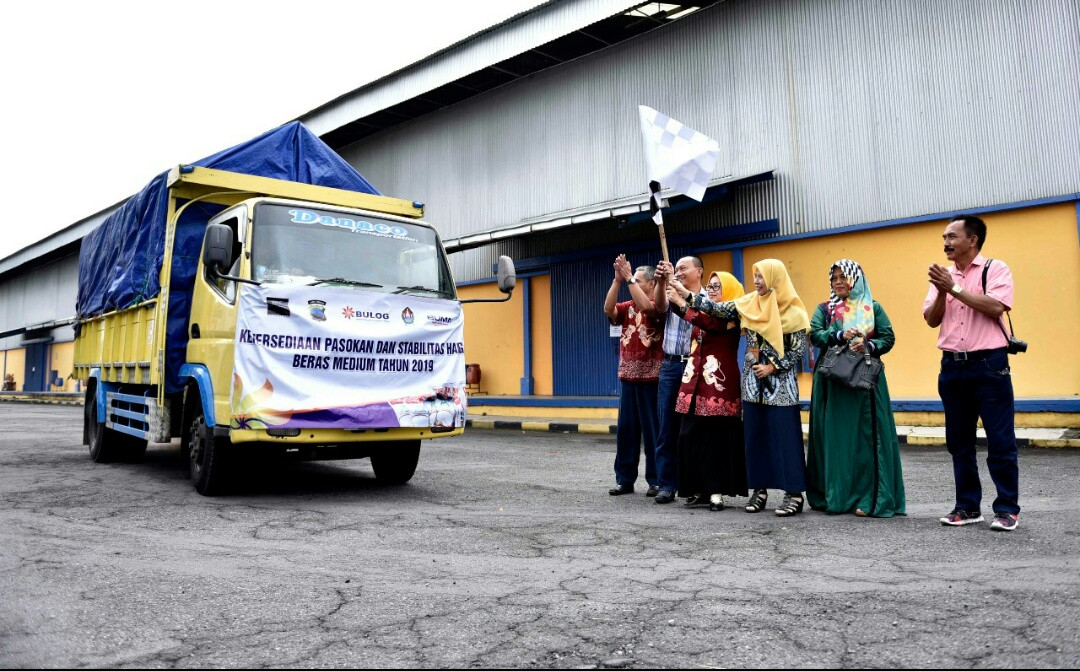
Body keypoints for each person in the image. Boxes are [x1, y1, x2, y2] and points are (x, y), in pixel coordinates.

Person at [674, 259, 810, 517]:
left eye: (761, 277)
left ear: (775, 279)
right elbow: (716, 308)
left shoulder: (793, 312)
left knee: (785, 440)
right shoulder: (748, 304)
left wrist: (773, 366)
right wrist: (685, 295)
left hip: (781, 387)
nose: (756, 282)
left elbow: (799, 349)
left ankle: (793, 494)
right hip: (751, 384)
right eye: (755, 276)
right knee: (755, 439)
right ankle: (759, 491)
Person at [923, 214, 1020, 531]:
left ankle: (1006, 509)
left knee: (1000, 441)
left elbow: (995, 307)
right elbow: (931, 320)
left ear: (972, 239)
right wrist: (941, 290)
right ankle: (967, 507)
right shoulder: (943, 277)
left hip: (989, 365)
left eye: (952, 236)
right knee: (959, 442)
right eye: (944, 238)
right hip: (952, 366)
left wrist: (954, 288)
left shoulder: (996, 269)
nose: (946, 243)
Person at [806, 260, 906, 518]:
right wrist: (839, 336)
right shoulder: (825, 309)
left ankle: (871, 498)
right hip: (832, 383)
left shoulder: (873, 308)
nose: (838, 282)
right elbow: (815, 334)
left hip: (865, 383)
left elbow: (888, 338)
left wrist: (868, 346)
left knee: (867, 437)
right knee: (836, 438)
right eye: (834, 278)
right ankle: (836, 497)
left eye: (844, 277)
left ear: (856, 280)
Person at [666, 271, 747, 511]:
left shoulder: (734, 312)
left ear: (729, 290)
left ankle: (717, 491)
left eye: (716, 287)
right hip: (694, 382)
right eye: (709, 287)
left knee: (717, 439)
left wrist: (683, 301)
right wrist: (669, 285)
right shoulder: (701, 311)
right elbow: (683, 312)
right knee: (690, 436)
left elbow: (710, 324)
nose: (711, 290)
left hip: (719, 384)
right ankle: (698, 488)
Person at [604, 255, 664, 496]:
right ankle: (625, 479)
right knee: (627, 431)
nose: (633, 284)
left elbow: (650, 308)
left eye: (637, 281)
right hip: (628, 377)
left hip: (652, 378)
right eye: (633, 280)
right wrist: (618, 281)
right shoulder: (627, 307)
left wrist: (628, 277)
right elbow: (608, 309)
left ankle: (656, 479)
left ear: (650, 284)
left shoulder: (660, 303)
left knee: (653, 433)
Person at [651, 256, 706, 504]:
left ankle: (693, 484)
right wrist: (663, 282)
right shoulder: (670, 290)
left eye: (684, 268)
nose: (680, 272)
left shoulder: (707, 298)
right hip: (671, 365)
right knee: (667, 428)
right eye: (678, 268)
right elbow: (660, 308)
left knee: (694, 428)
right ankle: (666, 484)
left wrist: (680, 293)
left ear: (699, 272)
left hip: (697, 366)